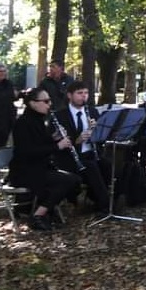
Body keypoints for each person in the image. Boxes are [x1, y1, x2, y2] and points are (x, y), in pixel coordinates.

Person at [9, 88, 82, 231]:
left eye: (50, 101)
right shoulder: (23, 123)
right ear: (33, 103)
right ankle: (38, 215)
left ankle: (45, 209)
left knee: (74, 179)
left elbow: (41, 143)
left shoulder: (38, 120)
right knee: (66, 180)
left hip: (39, 168)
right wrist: (58, 146)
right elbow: (27, 151)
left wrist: (54, 138)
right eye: (46, 101)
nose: (49, 105)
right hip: (24, 171)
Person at [53, 81, 112, 213]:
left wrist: (97, 131)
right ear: (69, 95)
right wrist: (77, 140)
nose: (83, 96)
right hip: (70, 158)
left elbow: (102, 138)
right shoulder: (59, 115)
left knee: (107, 164)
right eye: (79, 93)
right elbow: (57, 142)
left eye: (86, 93)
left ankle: (96, 199)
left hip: (91, 153)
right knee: (91, 167)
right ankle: (105, 205)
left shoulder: (92, 111)